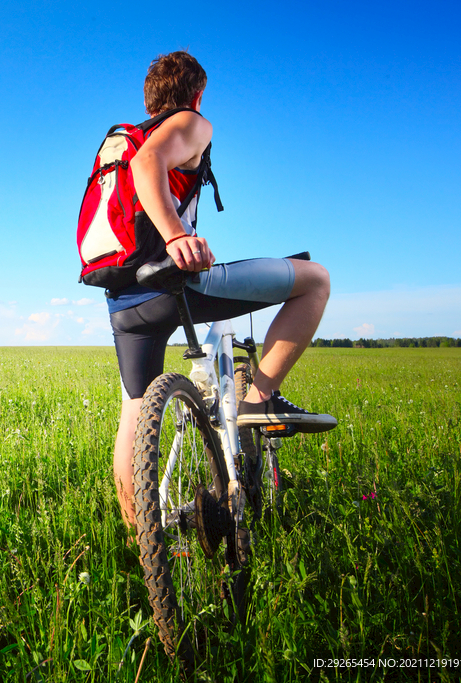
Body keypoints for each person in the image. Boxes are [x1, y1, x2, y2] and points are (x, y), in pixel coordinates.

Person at [108, 51, 336, 531]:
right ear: (197, 93)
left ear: (149, 98)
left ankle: (142, 539)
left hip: (124, 297)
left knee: (135, 409)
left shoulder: (122, 140)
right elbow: (149, 163)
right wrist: (175, 236)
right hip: (173, 284)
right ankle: (259, 399)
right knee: (314, 279)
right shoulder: (188, 123)